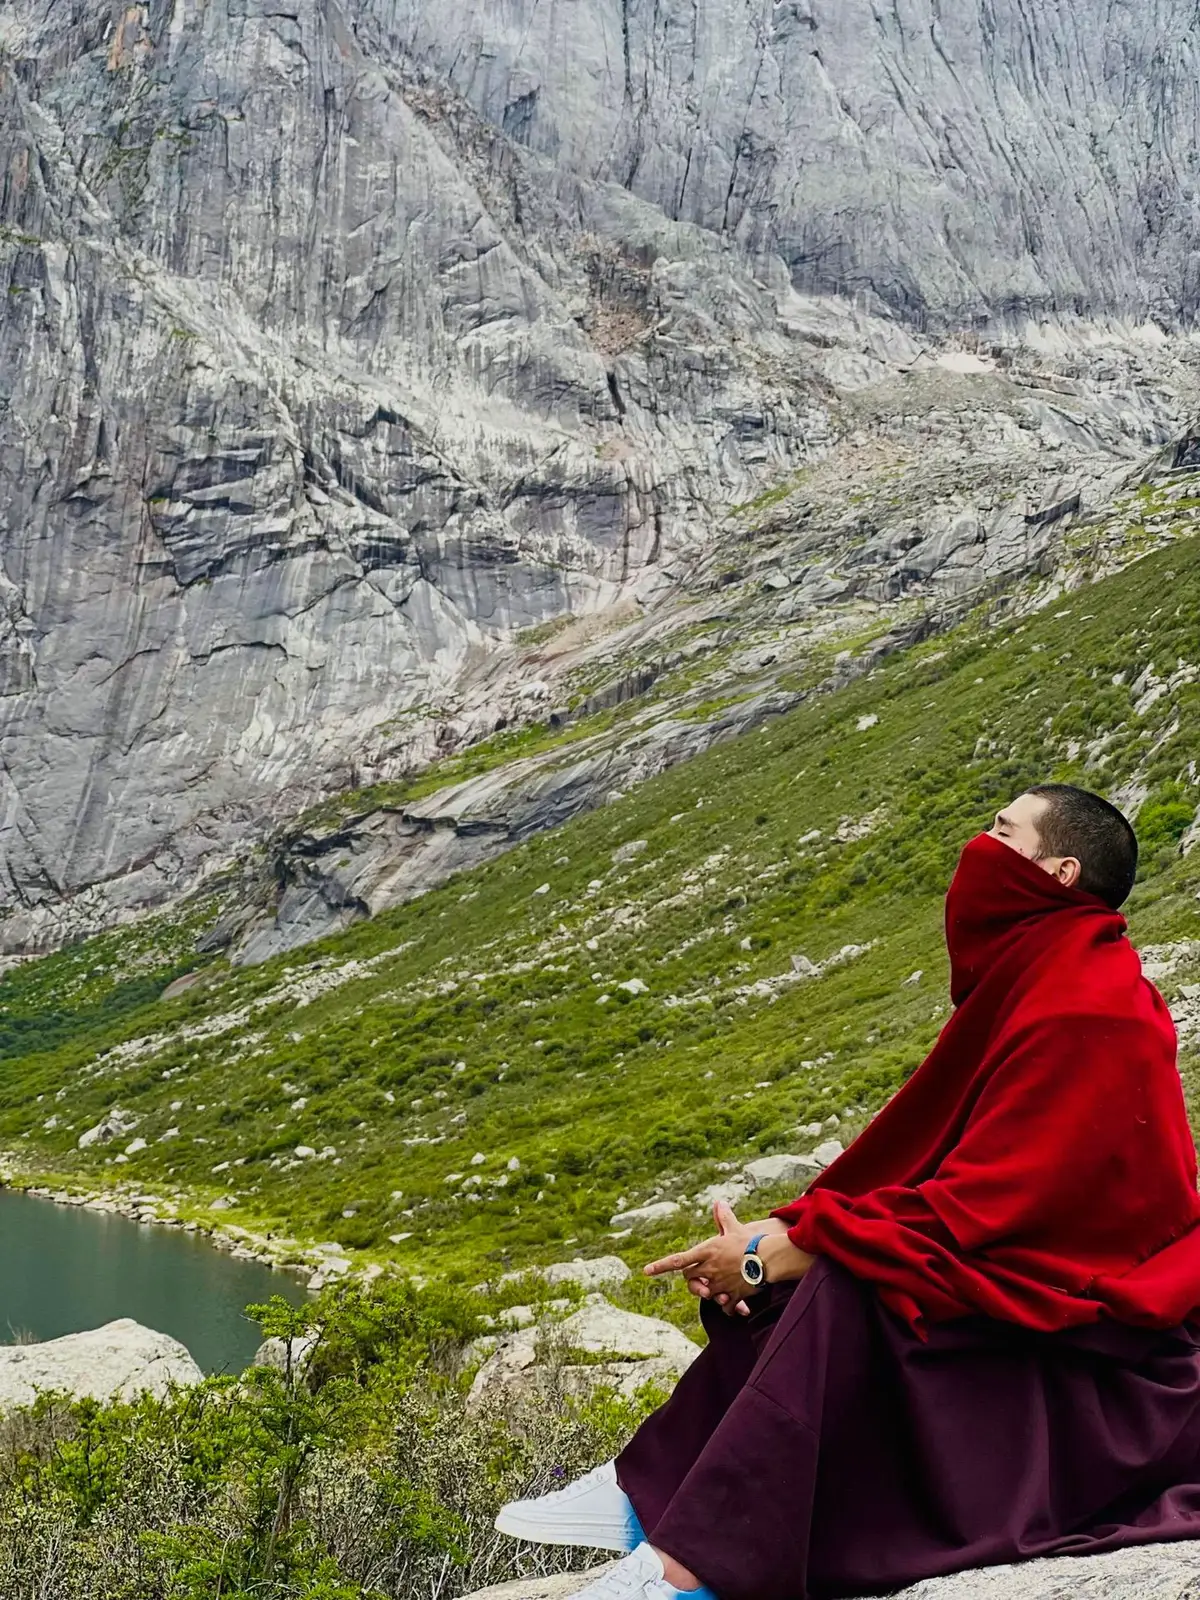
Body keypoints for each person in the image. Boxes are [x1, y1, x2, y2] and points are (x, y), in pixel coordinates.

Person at [495, 785, 1200, 1600]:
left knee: (844, 1275)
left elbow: (1003, 1205)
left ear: (1059, 871)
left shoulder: (1094, 1005)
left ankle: (693, 1571)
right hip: (1036, 1299)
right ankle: (645, 1495)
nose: (977, 847)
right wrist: (775, 1235)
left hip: (1099, 1354)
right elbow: (938, 1172)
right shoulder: (1045, 979)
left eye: (1002, 833)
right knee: (807, 1272)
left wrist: (781, 1251)